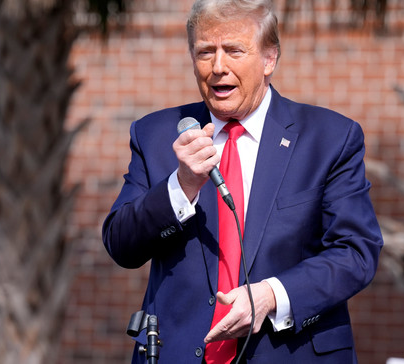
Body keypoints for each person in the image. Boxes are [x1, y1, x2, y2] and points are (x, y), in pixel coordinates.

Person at [102, 0, 383, 362]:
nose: (218, 67)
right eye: (205, 52)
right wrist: (181, 185)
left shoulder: (329, 138)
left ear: (269, 59)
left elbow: (355, 252)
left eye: (234, 50)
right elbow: (121, 244)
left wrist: (270, 295)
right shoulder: (156, 135)